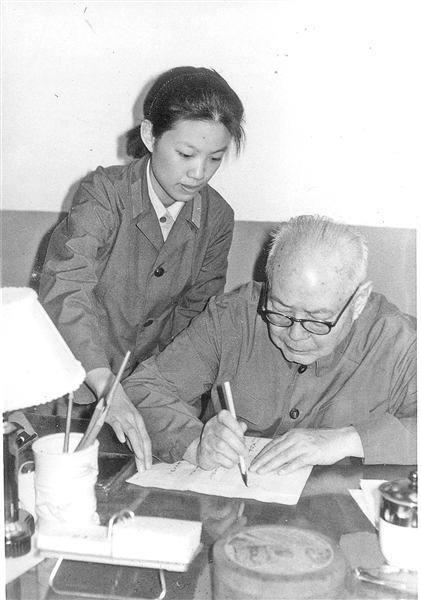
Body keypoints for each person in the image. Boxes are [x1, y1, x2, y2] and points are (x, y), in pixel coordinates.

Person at [39, 66, 245, 469]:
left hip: (151, 399)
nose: (199, 173)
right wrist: (107, 387)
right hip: (76, 393)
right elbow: (66, 287)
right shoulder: (104, 193)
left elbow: (194, 324)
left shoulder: (217, 218)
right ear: (150, 135)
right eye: (186, 154)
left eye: (215, 158)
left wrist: (165, 408)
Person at [118, 215, 416, 474]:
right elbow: (142, 388)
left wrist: (345, 440)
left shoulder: (396, 340)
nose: (295, 335)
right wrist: (195, 444)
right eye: (280, 312)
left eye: (317, 321)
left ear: (358, 301)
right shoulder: (234, 317)